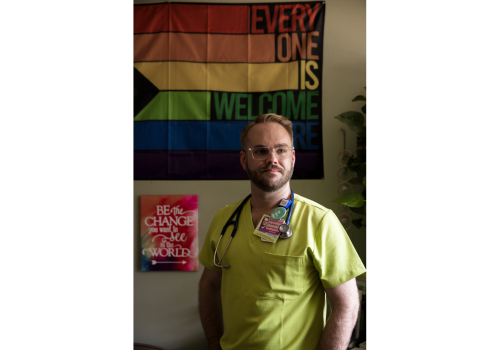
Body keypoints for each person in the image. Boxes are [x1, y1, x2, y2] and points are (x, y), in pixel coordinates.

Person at [198, 113, 366, 350]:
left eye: (281, 150)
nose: (272, 159)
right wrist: (215, 345)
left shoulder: (319, 221)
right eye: (260, 151)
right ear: (244, 159)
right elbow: (209, 285)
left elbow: (346, 305)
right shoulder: (224, 219)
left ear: (293, 157)